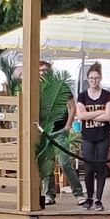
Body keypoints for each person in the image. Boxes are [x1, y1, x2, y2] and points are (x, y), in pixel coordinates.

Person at [39, 61, 86, 205]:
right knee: (47, 165)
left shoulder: (61, 85)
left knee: (65, 162)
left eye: (45, 70)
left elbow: (72, 107)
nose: (43, 73)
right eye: (40, 71)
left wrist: (68, 125)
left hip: (60, 131)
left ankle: (78, 193)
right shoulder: (37, 88)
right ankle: (49, 195)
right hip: (45, 131)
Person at [76, 62, 110, 211]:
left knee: (101, 167)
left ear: (100, 78)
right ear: (87, 79)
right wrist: (99, 112)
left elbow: (109, 116)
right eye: (91, 78)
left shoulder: (107, 95)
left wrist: (90, 115)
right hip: (88, 136)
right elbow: (81, 115)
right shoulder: (83, 96)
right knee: (89, 167)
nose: (94, 81)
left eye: (96, 78)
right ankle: (89, 197)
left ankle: (99, 199)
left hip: (103, 136)